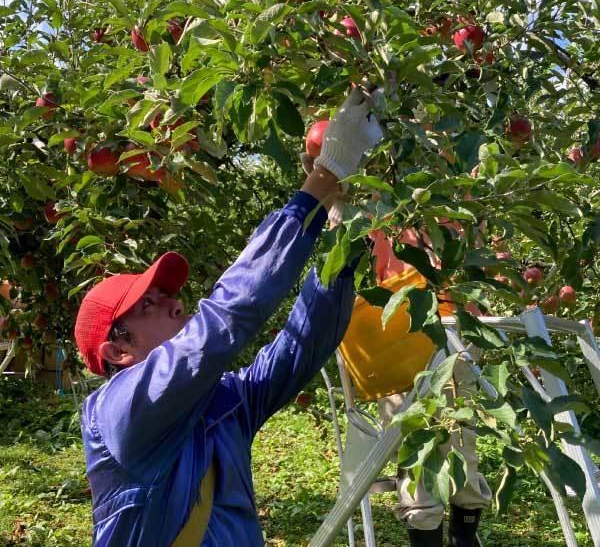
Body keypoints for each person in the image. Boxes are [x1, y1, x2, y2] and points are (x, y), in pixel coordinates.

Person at [73, 88, 382, 546]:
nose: (176, 303)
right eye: (149, 305)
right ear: (117, 350)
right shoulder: (118, 414)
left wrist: (343, 232)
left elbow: (303, 344)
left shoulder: (222, 404)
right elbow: (222, 323)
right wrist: (322, 179)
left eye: (168, 295)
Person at [340, 227, 491, 547]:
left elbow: (477, 252)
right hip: (399, 332)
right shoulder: (380, 201)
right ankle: (435, 535)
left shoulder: (458, 190)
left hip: (450, 324)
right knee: (413, 441)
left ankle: (463, 536)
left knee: (457, 436)